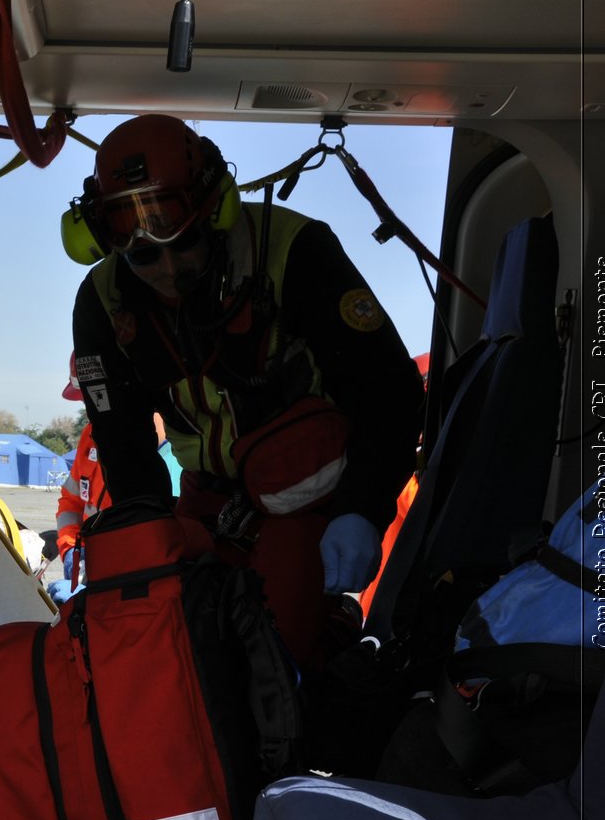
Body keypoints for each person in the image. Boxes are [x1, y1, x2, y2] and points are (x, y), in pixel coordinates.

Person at [67, 114, 423, 669]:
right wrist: (148, 547)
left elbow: (391, 391)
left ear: (215, 215)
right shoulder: (102, 301)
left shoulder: (293, 251)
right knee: (168, 647)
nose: (166, 270)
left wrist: (363, 508)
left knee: (275, 655)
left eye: (181, 245)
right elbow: (122, 440)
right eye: (142, 256)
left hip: (309, 495)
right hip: (206, 500)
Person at [47, 353, 181, 604]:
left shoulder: (174, 456)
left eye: (92, 397)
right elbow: (71, 503)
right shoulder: (89, 436)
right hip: (96, 575)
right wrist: (71, 550)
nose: (87, 408)